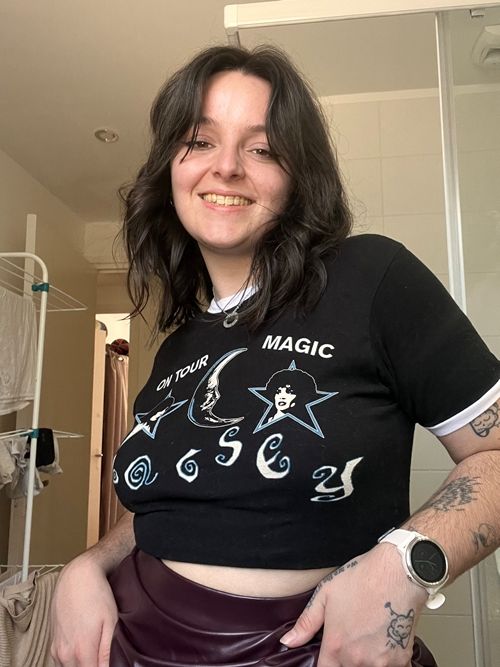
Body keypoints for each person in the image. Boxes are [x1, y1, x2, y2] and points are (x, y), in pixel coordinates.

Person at [50, 44, 500, 667]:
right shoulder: (178, 345)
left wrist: (406, 563)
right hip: (133, 645)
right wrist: (88, 565)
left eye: (262, 149)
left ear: (298, 177)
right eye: (200, 141)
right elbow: (178, 503)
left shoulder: (370, 276)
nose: (226, 167)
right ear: (171, 167)